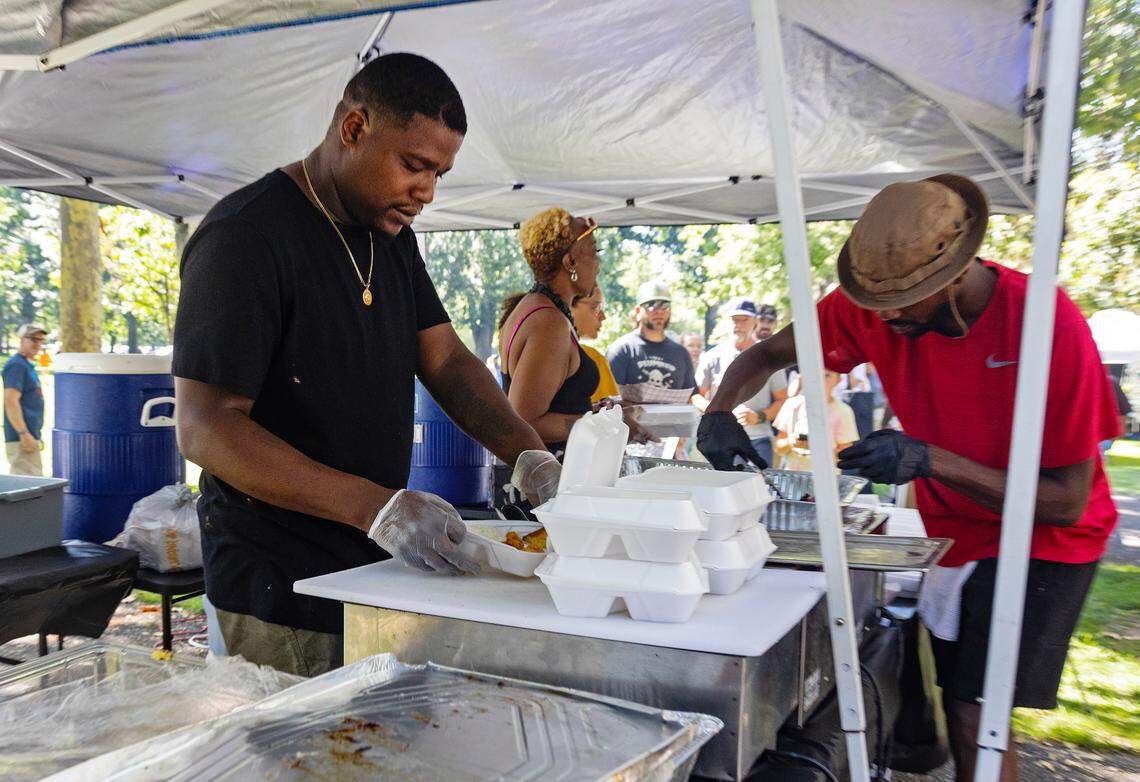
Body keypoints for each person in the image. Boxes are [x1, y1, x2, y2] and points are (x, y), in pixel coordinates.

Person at [698, 174, 1120, 782]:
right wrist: (716, 414)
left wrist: (929, 460)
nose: (887, 315)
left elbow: (1065, 502)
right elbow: (766, 354)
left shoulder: (1045, 322)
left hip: (1045, 541)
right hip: (953, 531)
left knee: (980, 716)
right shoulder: (874, 308)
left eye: (906, 300)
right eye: (876, 302)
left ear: (956, 274)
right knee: (955, 706)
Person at [172, 53, 560, 677]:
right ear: (354, 128)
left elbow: (444, 357)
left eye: (440, 174)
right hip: (280, 583)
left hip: (377, 569)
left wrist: (528, 452)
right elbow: (205, 426)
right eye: (415, 165)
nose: (427, 192)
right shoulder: (246, 237)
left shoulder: (392, 238)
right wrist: (373, 507)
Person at [692, 297, 787, 467]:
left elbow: (782, 398)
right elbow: (695, 396)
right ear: (727, 322)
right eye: (735, 320)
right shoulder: (711, 356)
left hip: (760, 439)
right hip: (722, 439)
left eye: (745, 320)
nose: (739, 325)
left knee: (763, 490)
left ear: (755, 322)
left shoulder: (769, 355)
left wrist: (759, 416)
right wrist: (720, 414)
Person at [606, 282, 697, 394]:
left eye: (664, 305)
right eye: (651, 305)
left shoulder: (681, 353)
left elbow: (692, 396)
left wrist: (709, 408)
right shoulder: (621, 350)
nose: (658, 311)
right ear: (638, 311)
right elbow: (610, 397)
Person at [773, 369, 858, 471]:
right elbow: (778, 448)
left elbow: (846, 453)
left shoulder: (843, 411)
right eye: (816, 375)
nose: (820, 380)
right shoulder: (792, 405)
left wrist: (825, 445)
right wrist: (792, 441)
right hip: (794, 475)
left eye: (827, 376)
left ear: (838, 379)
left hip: (827, 476)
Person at [3, 323, 47, 476]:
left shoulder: (27, 365)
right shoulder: (16, 365)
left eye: (41, 340)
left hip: (31, 435)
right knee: (27, 493)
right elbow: (10, 401)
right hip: (21, 438)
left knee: (35, 487)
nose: (38, 344)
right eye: (33, 339)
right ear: (22, 340)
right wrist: (23, 433)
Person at [571, 288, 619, 404]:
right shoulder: (593, 359)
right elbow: (610, 414)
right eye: (596, 307)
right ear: (568, 305)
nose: (603, 316)